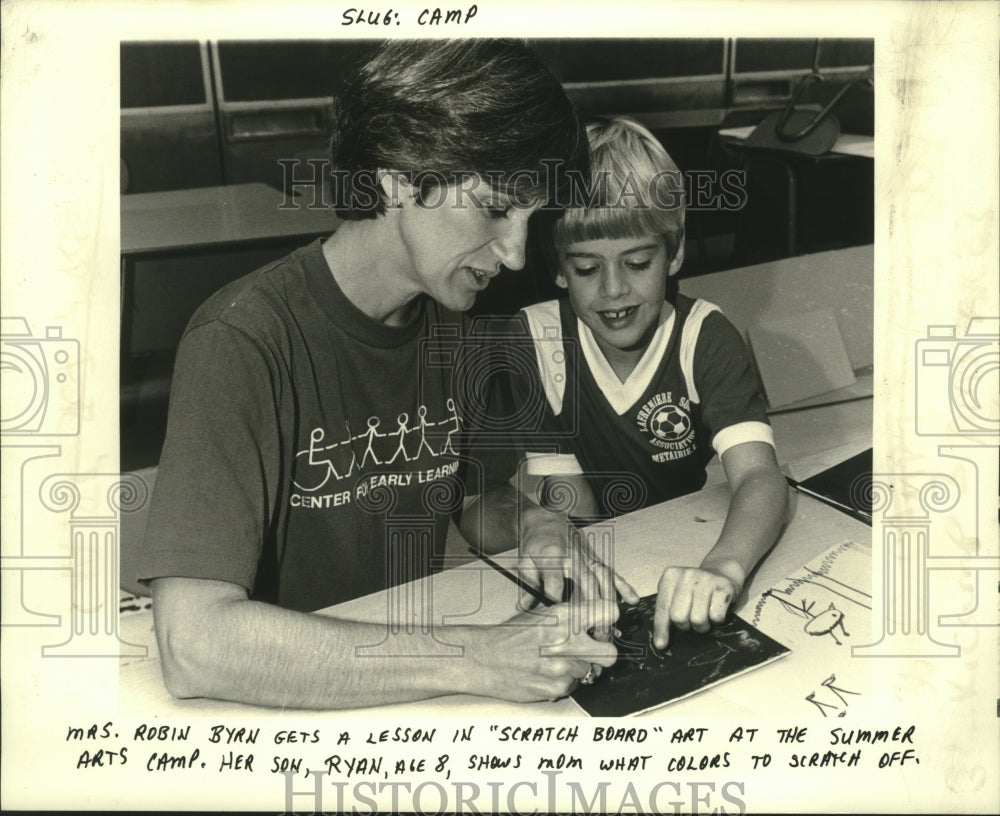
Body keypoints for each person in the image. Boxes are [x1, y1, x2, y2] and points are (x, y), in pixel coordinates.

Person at [137, 40, 622, 710]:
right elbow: (194, 645)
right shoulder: (243, 341)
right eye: (494, 208)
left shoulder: (467, 325)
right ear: (398, 175)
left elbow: (476, 502)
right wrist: (480, 659)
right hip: (269, 706)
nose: (514, 256)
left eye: (528, 219)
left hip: (404, 680)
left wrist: (536, 524)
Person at [507, 117, 789, 650]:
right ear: (559, 269)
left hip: (694, 541)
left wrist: (724, 569)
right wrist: (582, 578)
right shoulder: (536, 339)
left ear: (675, 253)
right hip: (606, 554)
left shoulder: (706, 336)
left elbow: (760, 478)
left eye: (637, 262)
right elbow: (566, 496)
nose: (614, 290)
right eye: (587, 269)